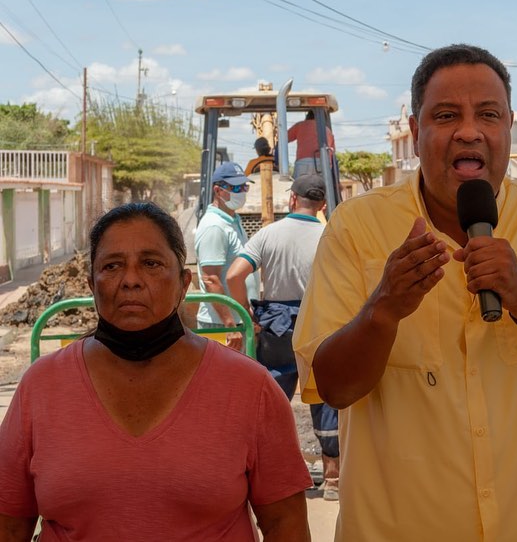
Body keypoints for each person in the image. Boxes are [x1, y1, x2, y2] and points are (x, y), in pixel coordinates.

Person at [292, 44, 517, 541]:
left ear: (508, 125)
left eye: (488, 114)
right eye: (446, 115)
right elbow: (333, 388)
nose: (469, 131)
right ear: (415, 128)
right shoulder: (358, 227)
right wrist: (384, 310)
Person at [0, 202, 312, 541]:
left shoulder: (250, 388)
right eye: (113, 265)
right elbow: (10, 525)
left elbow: (286, 525)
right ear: (92, 284)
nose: (131, 280)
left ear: (183, 283)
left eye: (151, 264)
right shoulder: (42, 386)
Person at [228, 174, 341, 502]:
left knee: (274, 401)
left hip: (275, 327)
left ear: (292, 200)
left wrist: (245, 315)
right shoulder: (329, 234)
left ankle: (280, 478)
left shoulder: (268, 235)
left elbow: (235, 274)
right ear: (321, 206)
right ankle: (332, 478)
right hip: (318, 324)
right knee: (323, 396)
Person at [195, 161, 258, 348]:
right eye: (235, 187)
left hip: (239, 320)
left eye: (244, 186)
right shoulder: (215, 226)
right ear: (218, 191)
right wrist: (229, 324)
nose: (242, 192)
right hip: (221, 324)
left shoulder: (232, 221)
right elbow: (210, 278)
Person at [288, 110, 335, 179]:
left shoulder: (300, 125)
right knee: (320, 187)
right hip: (322, 163)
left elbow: (285, 138)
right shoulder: (327, 131)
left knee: (299, 187)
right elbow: (332, 152)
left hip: (303, 162)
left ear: (307, 116)